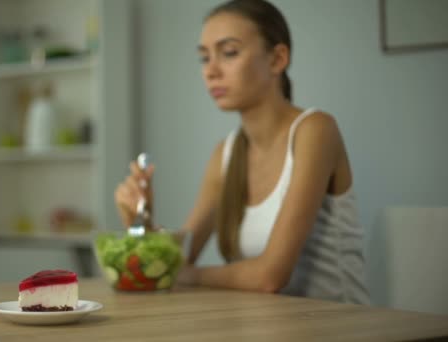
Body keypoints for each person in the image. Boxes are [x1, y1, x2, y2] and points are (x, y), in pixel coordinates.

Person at [114, 0, 369, 304]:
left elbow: (269, 277)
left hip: (341, 328)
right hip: (271, 327)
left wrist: (186, 273)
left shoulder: (315, 131)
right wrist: (142, 222)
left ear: (277, 59)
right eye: (204, 58)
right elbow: (180, 254)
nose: (211, 71)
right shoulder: (226, 153)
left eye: (229, 53)